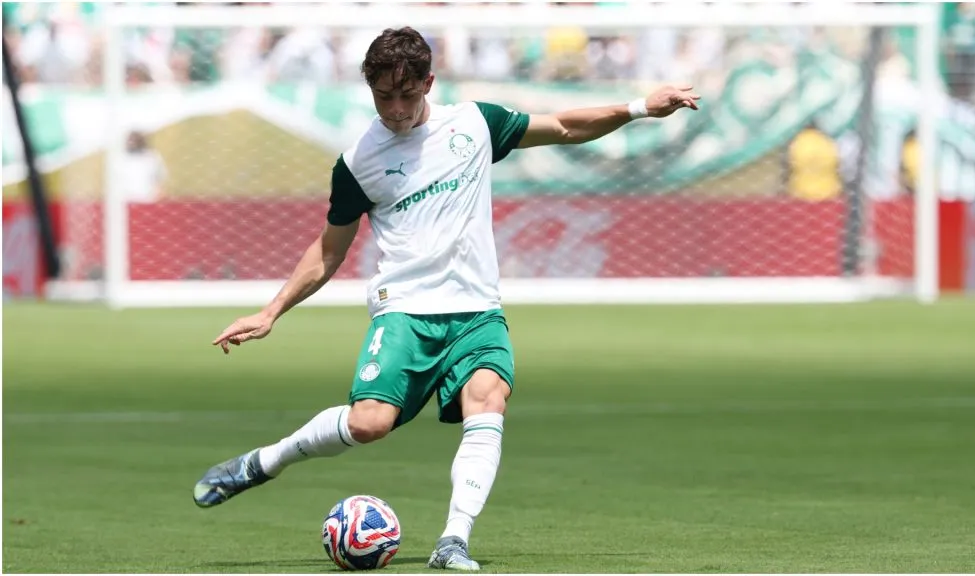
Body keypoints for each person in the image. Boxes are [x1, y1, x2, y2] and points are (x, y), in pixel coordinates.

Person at [192, 26, 699, 571]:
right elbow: (329, 250)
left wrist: (639, 107)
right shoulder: (358, 160)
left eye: (406, 95)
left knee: (489, 398)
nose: (396, 109)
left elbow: (566, 127)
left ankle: (453, 539)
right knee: (369, 424)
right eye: (383, 97)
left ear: (428, 82)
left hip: (477, 310)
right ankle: (264, 462)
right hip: (406, 310)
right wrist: (272, 312)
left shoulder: (475, 124)